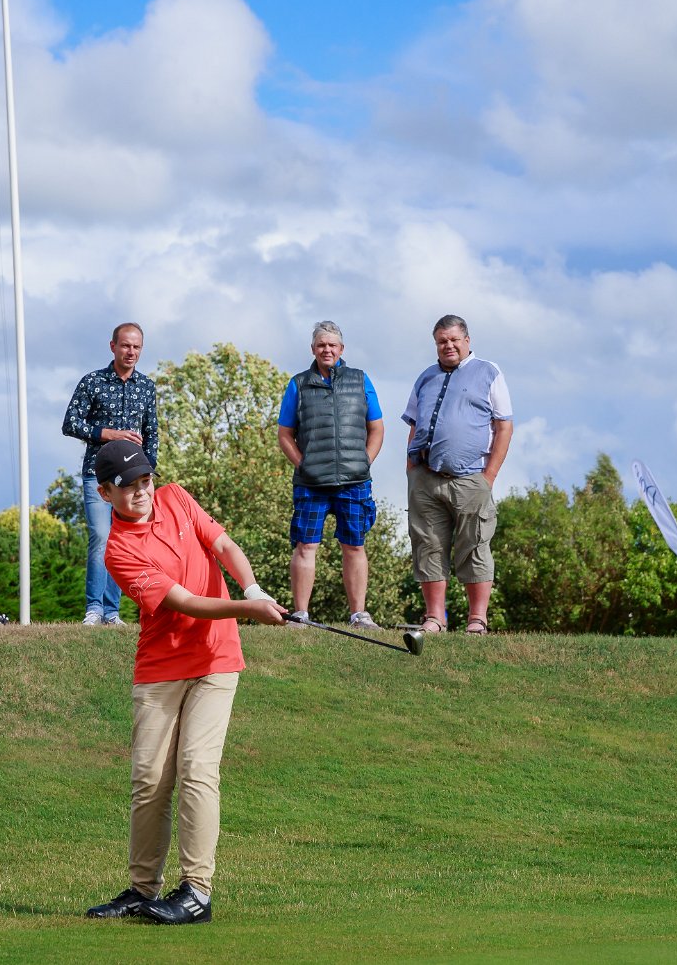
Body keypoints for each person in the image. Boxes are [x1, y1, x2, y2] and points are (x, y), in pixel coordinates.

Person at [82, 440, 286, 926]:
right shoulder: (119, 550)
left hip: (216, 658)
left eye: (145, 480)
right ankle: (141, 888)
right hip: (161, 665)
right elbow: (186, 603)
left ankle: (197, 890)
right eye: (127, 487)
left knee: (197, 769)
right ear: (106, 493)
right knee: (150, 779)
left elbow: (223, 546)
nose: (141, 491)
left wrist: (252, 588)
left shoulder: (176, 497)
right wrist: (249, 611)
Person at [401, 314, 513, 635]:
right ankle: (435, 618)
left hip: (471, 478)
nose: (448, 345)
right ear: (435, 344)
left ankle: (477, 619)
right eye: (441, 341)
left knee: (475, 544)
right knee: (428, 545)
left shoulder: (488, 373)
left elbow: (504, 425)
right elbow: (413, 424)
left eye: (453, 340)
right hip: (426, 477)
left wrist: (488, 477)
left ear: (467, 340)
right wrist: (411, 471)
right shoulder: (425, 377)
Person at [275, 321, 386, 630]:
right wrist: (302, 464)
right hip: (311, 483)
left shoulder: (361, 380)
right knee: (305, 546)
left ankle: (359, 615)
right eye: (321, 345)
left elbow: (376, 428)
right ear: (313, 349)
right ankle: (300, 615)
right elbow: (284, 434)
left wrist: (365, 461)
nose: (327, 349)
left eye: (332, 345)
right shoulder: (298, 383)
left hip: (354, 482)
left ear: (341, 349)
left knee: (354, 546)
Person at [61, 322, 159, 627]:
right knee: (101, 536)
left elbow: (151, 432)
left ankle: (112, 611)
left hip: (133, 480)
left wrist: (149, 472)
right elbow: (70, 423)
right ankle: (94, 608)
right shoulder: (92, 382)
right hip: (97, 475)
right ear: (113, 346)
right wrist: (108, 434)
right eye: (126, 345)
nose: (131, 352)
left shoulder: (147, 387)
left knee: (122, 541)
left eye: (137, 347)